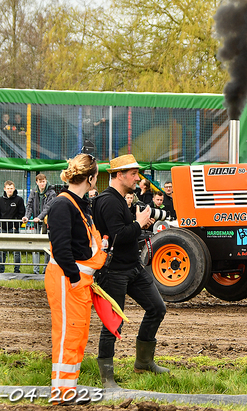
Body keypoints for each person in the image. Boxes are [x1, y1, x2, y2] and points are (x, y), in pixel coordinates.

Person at [92, 154, 168, 388]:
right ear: (118, 175)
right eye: (133, 173)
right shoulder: (108, 201)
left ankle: (143, 362)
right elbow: (118, 235)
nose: (138, 178)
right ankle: (107, 377)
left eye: (137, 173)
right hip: (113, 272)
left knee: (157, 308)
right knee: (113, 323)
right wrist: (139, 223)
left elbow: (124, 233)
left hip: (132, 267)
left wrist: (137, 224)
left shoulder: (120, 199)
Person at [45, 153, 106, 403]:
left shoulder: (78, 203)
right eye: (97, 178)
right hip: (67, 278)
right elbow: (61, 248)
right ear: (90, 178)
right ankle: (61, 392)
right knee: (67, 334)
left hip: (77, 280)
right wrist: (74, 278)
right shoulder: (63, 204)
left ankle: (68, 388)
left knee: (77, 334)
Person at [23, 174, 57, 274]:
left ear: (46, 181)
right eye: (40, 182)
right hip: (36, 224)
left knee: (47, 247)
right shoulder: (34, 192)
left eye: (43, 181)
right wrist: (27, 217)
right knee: (35, 246)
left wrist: (39, 217)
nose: (42, 184)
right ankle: (35, 270)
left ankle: (46, 270)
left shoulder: (52, 193)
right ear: (37, 182)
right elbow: (29, 205)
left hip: (47, 223)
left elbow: (48, 207)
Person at [0, 180, 25, 273]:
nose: (10, 190)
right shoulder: (0, 200)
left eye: (11, 188)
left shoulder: (19, 200)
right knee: (2, 250)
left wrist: (17, 226)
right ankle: (1, 270)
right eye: (8, 188)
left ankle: (17, 270)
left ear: (14, 188)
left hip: (13, 228)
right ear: (5, 189)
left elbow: (21, 213)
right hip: (2, 228)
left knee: (16, 251)